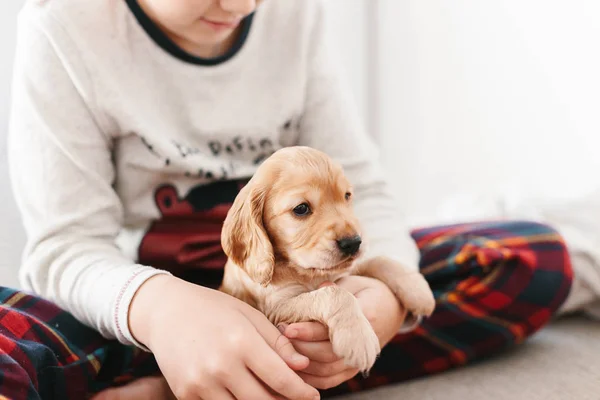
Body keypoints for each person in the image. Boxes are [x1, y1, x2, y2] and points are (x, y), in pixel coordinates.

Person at [1, 0, 573, 399]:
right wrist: (161, 311)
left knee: (535, 257)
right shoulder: (63, 30)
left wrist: (381, 304)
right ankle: (211, 377)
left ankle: (251, 379)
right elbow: (65, 249)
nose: (243, 5)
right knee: (10, 336)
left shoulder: (293, 15)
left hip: (309, 284)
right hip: (144, 313)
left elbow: (363, 192)